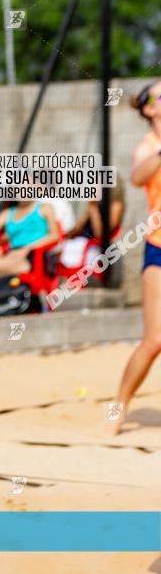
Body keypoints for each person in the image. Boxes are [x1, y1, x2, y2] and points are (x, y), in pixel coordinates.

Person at [110, 80, 161, 435]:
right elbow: (139, 175)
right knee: (155, 339)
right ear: (149, 109)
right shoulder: (149, 147)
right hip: (158, 246)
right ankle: (119, 406)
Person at [0, 200, 60, 287]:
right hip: (11, 255)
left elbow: (55, 235)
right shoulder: (8, 213)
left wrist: (27, 248)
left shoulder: (44, 208)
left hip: (32, 258)